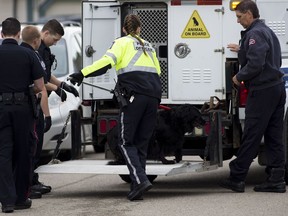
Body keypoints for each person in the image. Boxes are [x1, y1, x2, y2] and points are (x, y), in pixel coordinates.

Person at [69, 14, 162, 201]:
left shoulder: (121, 43)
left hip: (135, 98)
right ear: (139, 29)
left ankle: (140, 179)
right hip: (153, 97)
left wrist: (82, 73)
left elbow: (105, 63)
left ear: (124, 30)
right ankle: (138, 187)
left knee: (125, 141)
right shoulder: (149, 47)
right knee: (141, 143)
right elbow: (158, 73)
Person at [220, 0, 286, 193]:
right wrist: (242, 50)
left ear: (249, 13)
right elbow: (267, 57)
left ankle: (237, 177)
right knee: (274, 136)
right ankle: (276, 178)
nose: (238, 21)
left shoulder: (254, 33)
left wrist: (238, 76)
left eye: (240, 17)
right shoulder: (266, 31)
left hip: (262, 91)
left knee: (252, 134)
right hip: (276, 88)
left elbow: (256, 63)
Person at [0, 17, 47, 213]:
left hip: (1, 109)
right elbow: (39, 86)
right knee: (23, 153)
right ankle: (20, 198)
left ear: (2, 34)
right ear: (19, 34)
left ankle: (7, 201)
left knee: (3, 154)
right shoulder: (28, 55)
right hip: (23, 110)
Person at [31, 19, 79, 196]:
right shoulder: (36, 51)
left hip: (39, 101)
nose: (56, 42)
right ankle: (29, 183)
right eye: (55, 39)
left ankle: (32, 180)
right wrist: (57, 89)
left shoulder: (45, 50)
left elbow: (46, 75)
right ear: (45, 34)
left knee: (36, 147)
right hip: (34, 102)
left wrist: (63, 85)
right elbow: (40, 81)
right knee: (33, 147)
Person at [20, 25, 52, 199]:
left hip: (14, 108)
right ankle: (29, 184)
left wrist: (59, 86)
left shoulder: (15, 53)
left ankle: (28, 183)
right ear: (36, 40)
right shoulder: (33, 55)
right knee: (32, 148)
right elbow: (41, 87)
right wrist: (47, 115)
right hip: (32, 108)